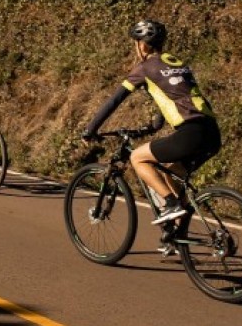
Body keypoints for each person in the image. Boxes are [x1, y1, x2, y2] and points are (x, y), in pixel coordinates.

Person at [82, 20, 221, 226]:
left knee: (137, 158)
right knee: (172, 174)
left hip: (189, 133)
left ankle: (171, 204)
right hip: (212, 132)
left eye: (136, 42)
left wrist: (90, 129)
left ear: (143, 45)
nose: (135, 47)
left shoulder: (144, 68)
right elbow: (174, 97)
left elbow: (115, 100)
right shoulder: (177, 63)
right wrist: (153, 127)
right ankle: (175, 235)